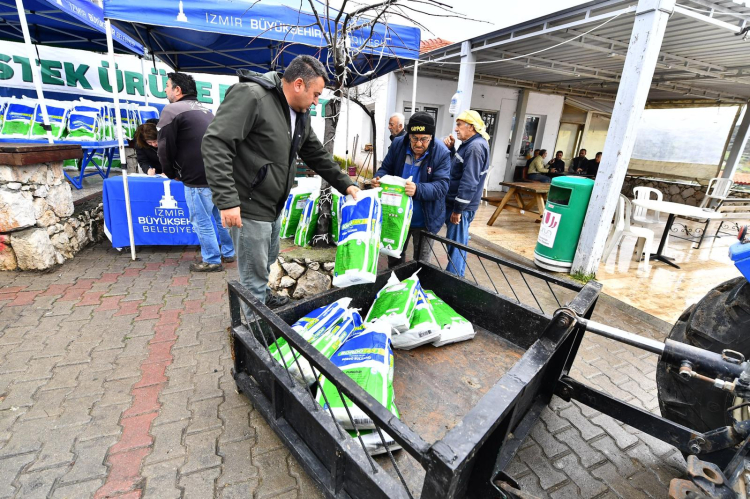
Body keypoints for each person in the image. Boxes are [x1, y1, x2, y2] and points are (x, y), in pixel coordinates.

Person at [202, 55, 360, 308]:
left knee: (265, 262)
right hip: (248, 205)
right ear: (299, 84)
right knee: (252, 275)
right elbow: (216, 143)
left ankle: (262, 300)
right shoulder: (252, 96)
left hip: (273, 204)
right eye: (316, 94)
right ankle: (255, 331)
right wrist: (227, 201)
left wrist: (345, 183)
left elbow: (315, 152)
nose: (317, 102)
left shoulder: (300, 112)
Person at [158, 72, 235, 273]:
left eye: (167, 86)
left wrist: (169, 171)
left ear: (178, 90)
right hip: (219, 173)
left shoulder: (172, 109)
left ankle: (211, 260)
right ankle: (228, 252)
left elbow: (164, 146)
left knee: (201, 220)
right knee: (220, 218)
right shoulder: (205, 109)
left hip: (196, 175)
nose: (165, 90)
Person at [372, 112, 450, 267]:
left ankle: (415, 288)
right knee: (394, 257)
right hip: (396, 216)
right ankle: (395, 287)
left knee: (420, 263)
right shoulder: (398, 144)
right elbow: (385, 168)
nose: (418, 144)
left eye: (424, 139)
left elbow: (442, 186)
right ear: (408, 135)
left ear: (431, 137)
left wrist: (418, 190)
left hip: (425, 218)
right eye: (414, 138)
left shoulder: (441, 152)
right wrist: (379, 178)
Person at [442, 110, 490, 277]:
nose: (456, 129)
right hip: (459, 204)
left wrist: (458, 210)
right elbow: (458, 169)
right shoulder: (469, 145)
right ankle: (454, 276)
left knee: (457, 244)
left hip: (463, 207)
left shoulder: (475, 147)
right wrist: (451, 150)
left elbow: (469, 182)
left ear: (472, 127)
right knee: (455, 242)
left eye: (459, 125)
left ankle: (454, 279)